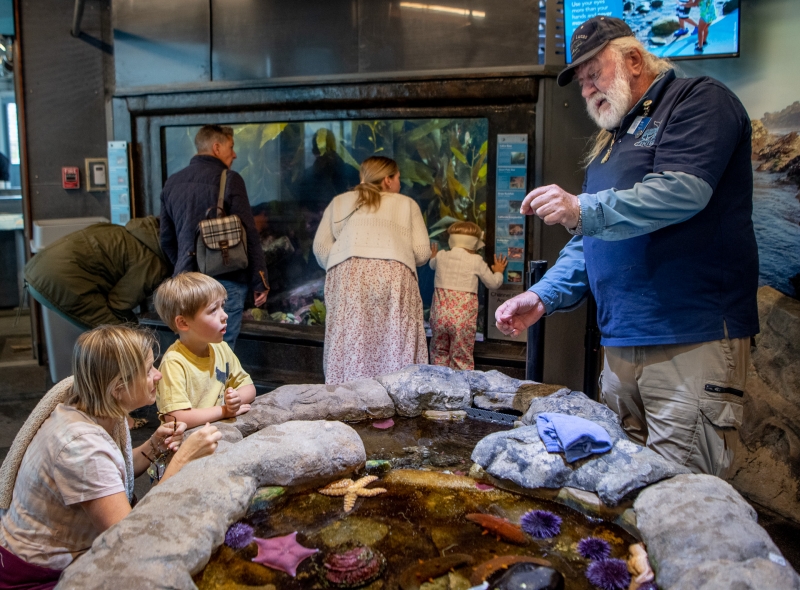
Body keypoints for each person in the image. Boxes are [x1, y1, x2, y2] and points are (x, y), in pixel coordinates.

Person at [495, 16, 758, 478]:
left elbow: (683, 190)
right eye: (580, 82)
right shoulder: (610, 142)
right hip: (620, 346)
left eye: (594, 72)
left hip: (688, 339)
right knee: (620, 487)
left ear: (634, 59)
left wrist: (581, 208)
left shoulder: (698, 101)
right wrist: (542, 294)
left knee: (681, 494)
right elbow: (589, 238)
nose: (587, 89)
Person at [0, 325, 221, 588]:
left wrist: (153, 446)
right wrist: (183, 458)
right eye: (149, 369)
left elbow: (115, 472)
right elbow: (128, 536)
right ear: (118, 387)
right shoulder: (82, 448)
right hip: (39, 575)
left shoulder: (91, 408)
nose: (158, 375)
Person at [313, 156, 431, 384]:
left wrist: (345, 259)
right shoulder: (406, 204)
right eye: (398, 178)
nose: (400, 183)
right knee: (394, 335)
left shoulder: (339, 202)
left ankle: (348, 399)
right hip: (393, 272)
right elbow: (422, 253)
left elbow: (320, 248)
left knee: (352, 337)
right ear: (387, 180)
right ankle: (396, 395)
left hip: (348, 273)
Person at [159, 124, 269, 348]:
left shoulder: (172, 182)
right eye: (231, 146)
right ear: (216, 147)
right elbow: (248, 234)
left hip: (187, 284)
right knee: (222, 351)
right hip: (225, 281)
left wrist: (185, 267)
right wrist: (261, 279)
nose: (235, 153)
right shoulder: (230, 178)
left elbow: (166, 239)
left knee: (192, 349)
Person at [24, 216, 170, 328]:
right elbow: (119, 305)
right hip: (60, 279)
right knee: (123, 336)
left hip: (37, 267)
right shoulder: (152, 262)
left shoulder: (131, 231)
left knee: (114, 337)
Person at [153, 272, 256, 429]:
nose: (225, 315)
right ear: (183, 322)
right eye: (213, 310)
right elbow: (176, 418)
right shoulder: (174, 363)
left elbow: (248, 387)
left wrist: (235, 400)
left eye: (223, 306)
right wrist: (224, 411)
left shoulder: (221, 348)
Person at [428, 221, 507, 370]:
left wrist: (433, 256)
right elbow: (493, 283)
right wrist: (498, 271)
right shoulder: (475, 260)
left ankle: (438, 387)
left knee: (439, 352)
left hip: (439, 317)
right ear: (475, 243)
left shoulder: (441, 256)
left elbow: (432, 264)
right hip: (461, 321)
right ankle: (460, 389)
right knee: (461, 357)